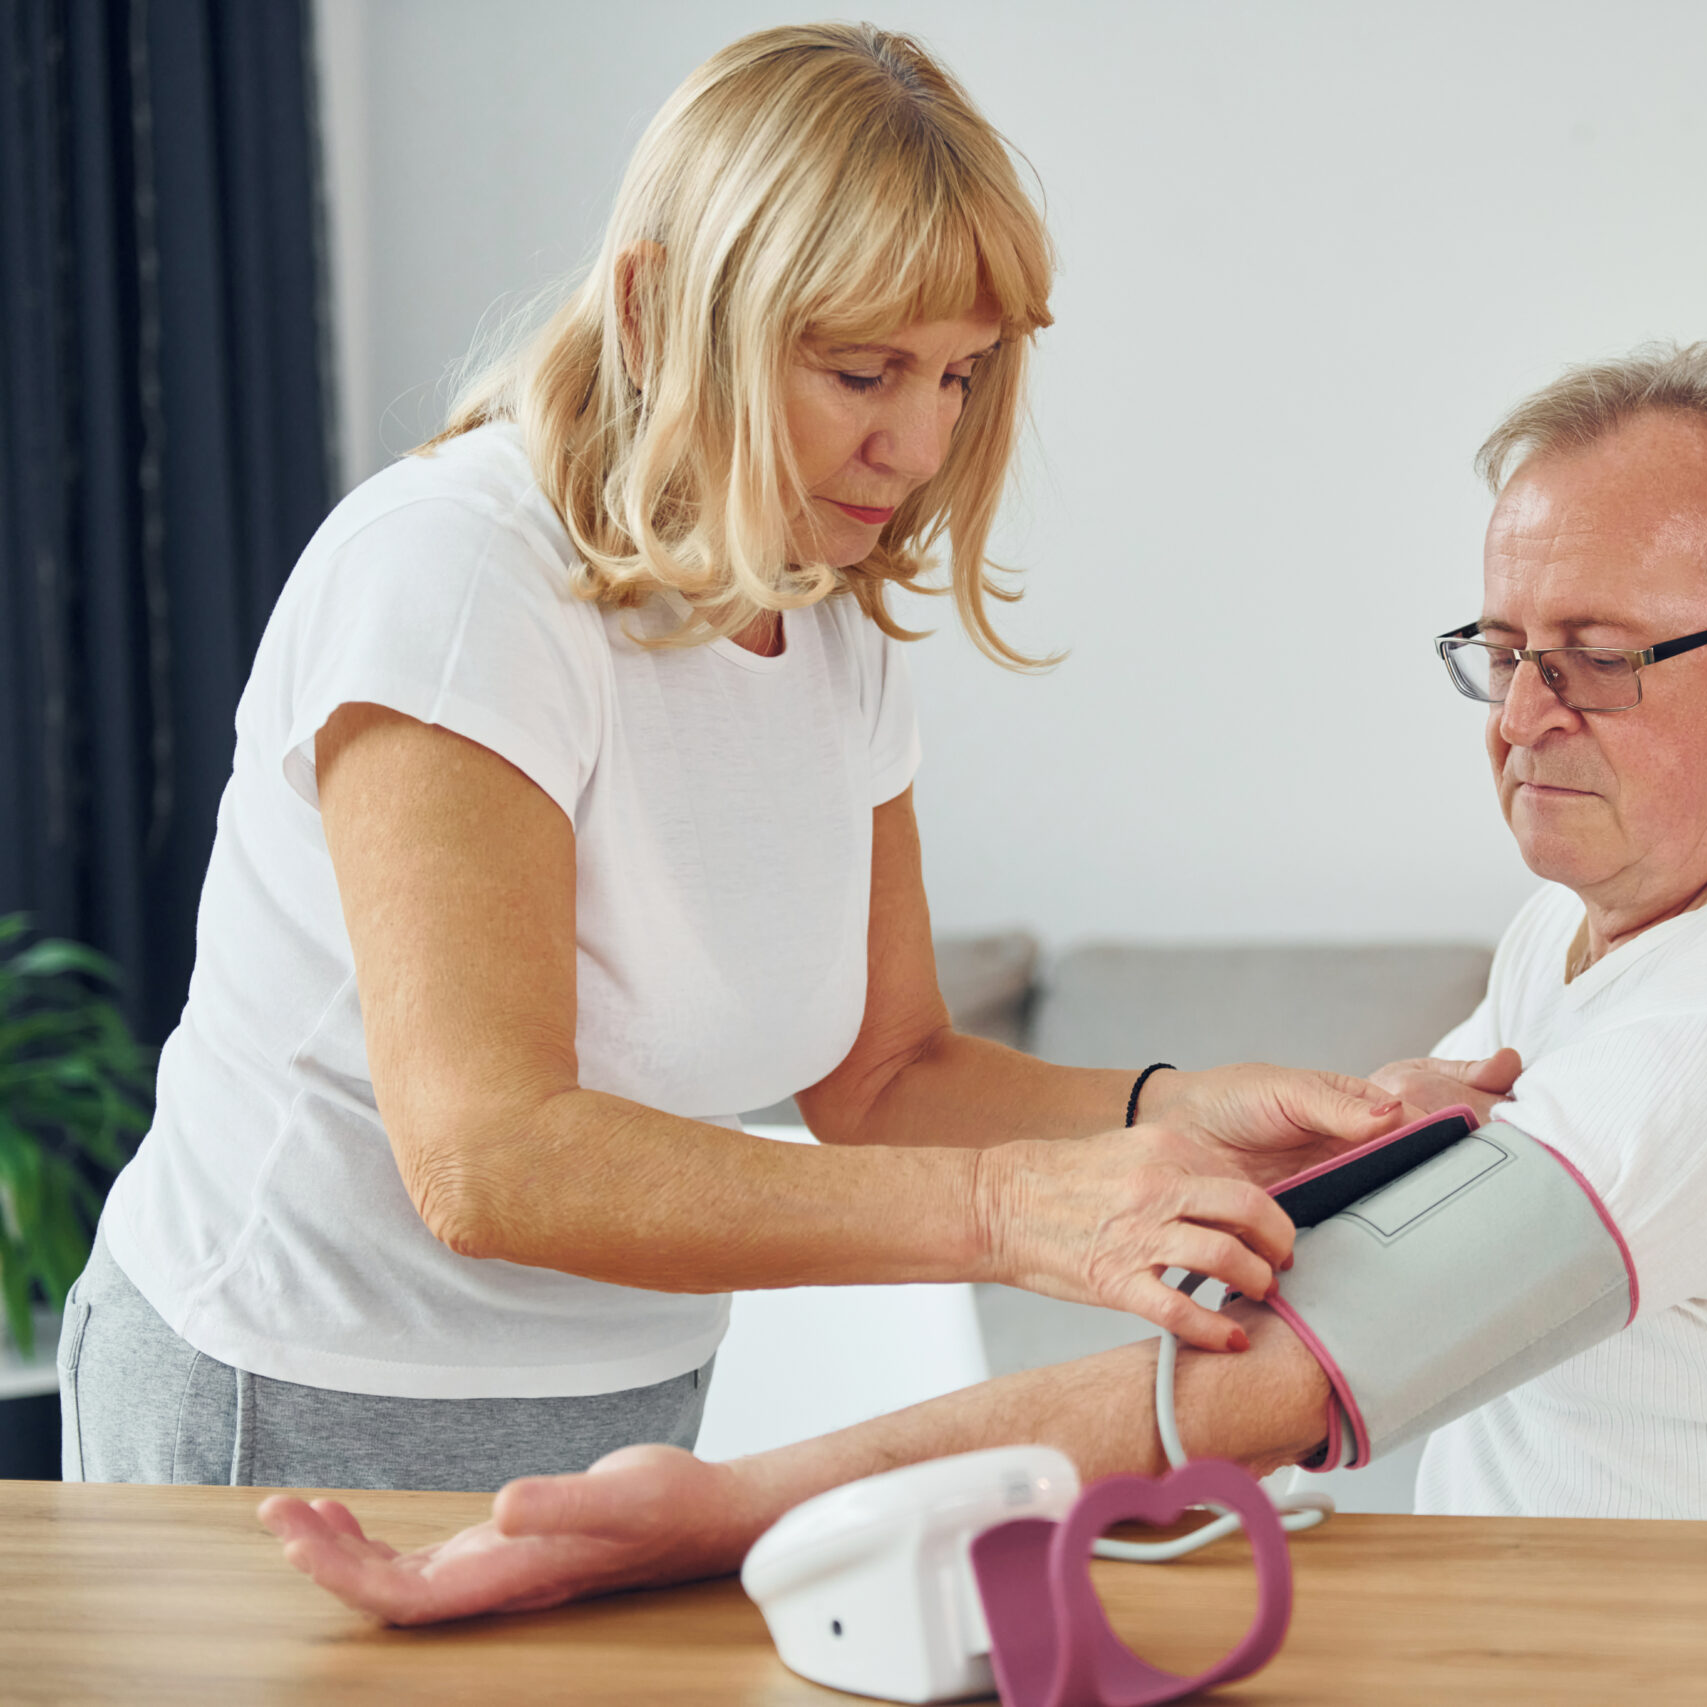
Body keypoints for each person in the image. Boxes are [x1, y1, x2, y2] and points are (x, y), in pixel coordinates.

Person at [262, 343, 1707, 1623]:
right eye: (1500, 653)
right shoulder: (1620, 917)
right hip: (1590, 1632)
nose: (1523, 722)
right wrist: (1243, 1138)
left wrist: (737, 1500)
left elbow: (1270, 1375)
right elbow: (1387, 1206)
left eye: (1595, 661)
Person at [61, 24, 1404, 1495]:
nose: (918, 442)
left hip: (625, 1403)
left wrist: (1178, 1112)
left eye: (958, 376)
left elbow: (886, 1076)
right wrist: (1013, 1210)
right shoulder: (455, 578)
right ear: (653, 308)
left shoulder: (827, 607)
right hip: (283, 1396)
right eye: (862, 370)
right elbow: (488, 1160)